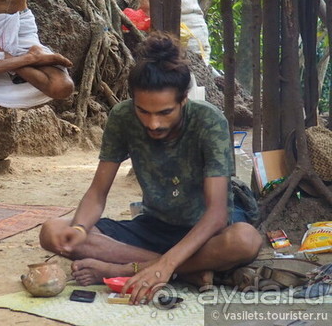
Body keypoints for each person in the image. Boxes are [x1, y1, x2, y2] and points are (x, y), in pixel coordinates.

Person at [39, 33, 261, 305]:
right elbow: (97, 193)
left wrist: (163, 264)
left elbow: (216, 214)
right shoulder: (122, 117)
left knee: (245, 240)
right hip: (154, 227)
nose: (153, 123)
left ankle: (128, 269)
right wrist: (80, 229)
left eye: (165, 112)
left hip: (206, 233)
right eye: (143, 111)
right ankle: (189, 271)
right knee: (53, 231)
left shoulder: (208, 121)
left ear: (184, 100)